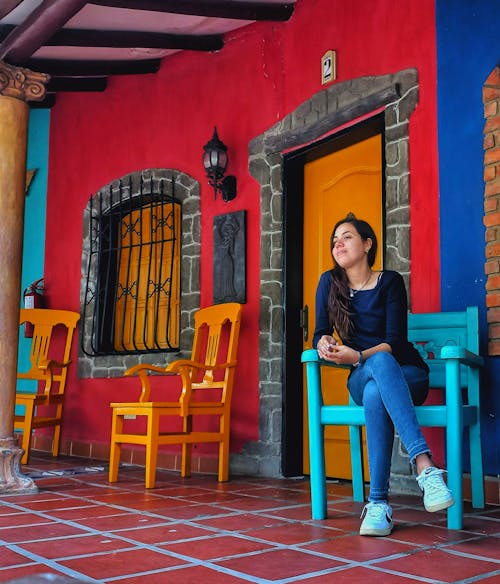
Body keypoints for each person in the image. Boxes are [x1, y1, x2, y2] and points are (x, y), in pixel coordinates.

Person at [313, 213, 453, 536]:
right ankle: (425, 467)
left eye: (346, 236)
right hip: (360, 378)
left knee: (379, 377)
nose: (338, 243)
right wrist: (323, 341)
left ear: (367, 244)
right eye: (335, 239)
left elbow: (394, 342)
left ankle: (378, 505)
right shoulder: (329, 284)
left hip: (409, 375)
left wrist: (359, 355)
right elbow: (320, 332)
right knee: (373, 376)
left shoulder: (390, 282)